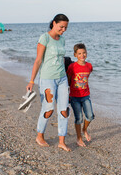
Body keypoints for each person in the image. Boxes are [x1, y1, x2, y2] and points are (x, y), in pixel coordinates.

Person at [26, 14, 71, 151]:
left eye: (65, 28)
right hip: (47, 79)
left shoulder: (62, 39)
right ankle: (40, 136)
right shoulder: (44, 38)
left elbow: (61, 59)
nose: (63, 30)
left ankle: (61, 141)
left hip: (62, 78)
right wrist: (32, 80)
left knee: (64, 110)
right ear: (53, 23)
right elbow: (38, 60)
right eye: (61, 27)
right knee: (48, 109)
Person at [67, 43, 94, 147]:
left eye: (84, 53)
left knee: (90, 116)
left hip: (86, 95)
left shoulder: (89, 66)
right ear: (75, 55)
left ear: (86, 53)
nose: (82, 55)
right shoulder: (72, 66)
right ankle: (79, 138)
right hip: (74, 97)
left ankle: (84, 130)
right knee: (79, 118)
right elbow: (69, 80)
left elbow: (87, 77)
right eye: (79, 53)